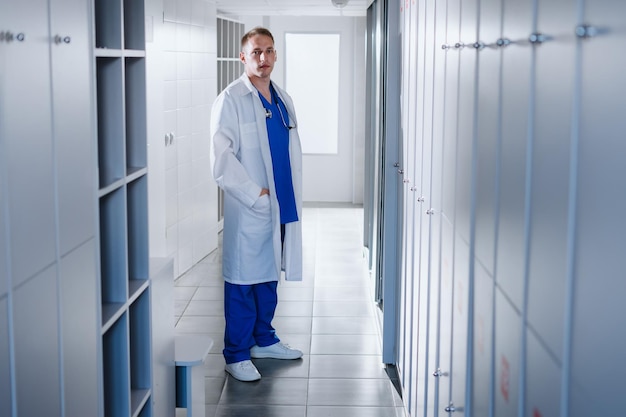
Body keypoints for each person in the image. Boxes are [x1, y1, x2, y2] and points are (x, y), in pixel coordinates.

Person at [209, 27, 304, 382]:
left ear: (276, 55)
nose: (262, 59)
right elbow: (221, 161)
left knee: (268, 275)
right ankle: (235, 353)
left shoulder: (282, 98)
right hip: (254, 203)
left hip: (282, 201)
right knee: (243, 281)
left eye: (268, 51)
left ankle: (263, 340)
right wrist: (255, 194)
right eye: (255, 53)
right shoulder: (231, 99)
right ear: (243, 57)